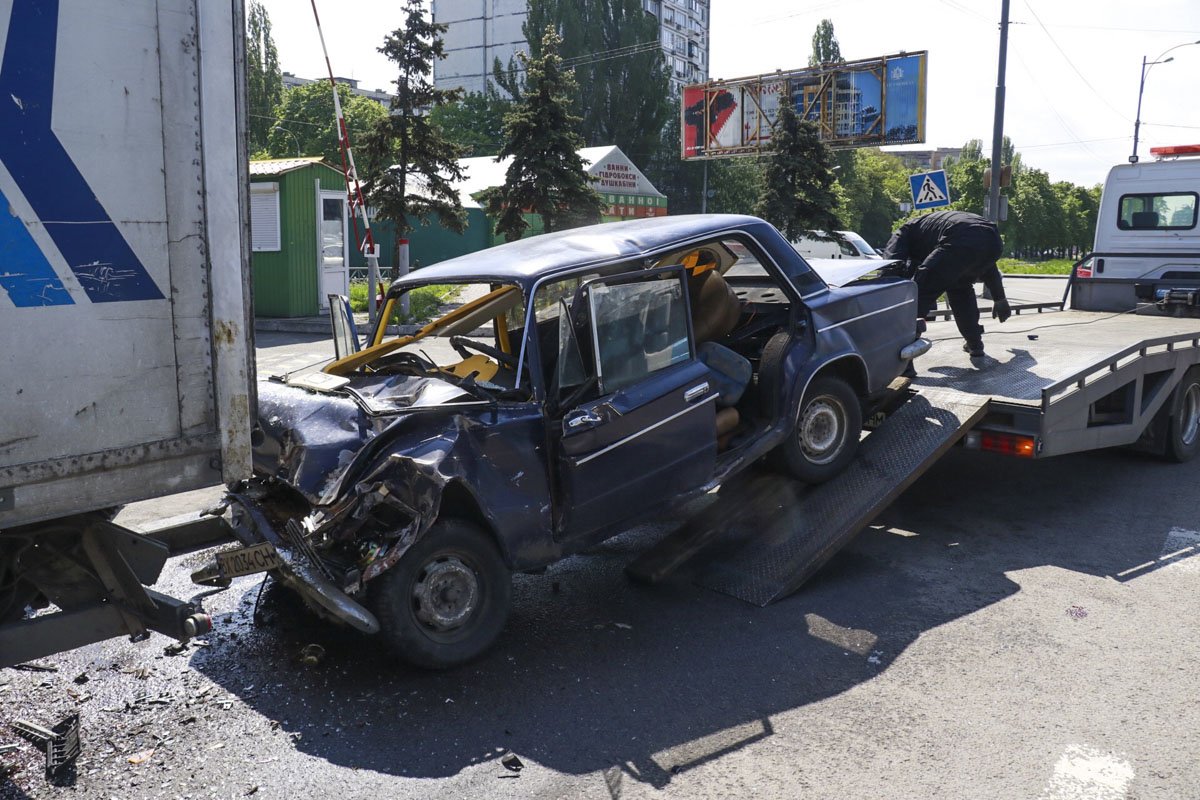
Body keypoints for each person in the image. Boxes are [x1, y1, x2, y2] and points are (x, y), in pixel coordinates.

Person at [882, 210, 1011, 358]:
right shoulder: (926, 229)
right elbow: (988, 265)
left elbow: (891, 265)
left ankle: (904, 362)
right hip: (993, 240)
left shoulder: (903, 233)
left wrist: (888, 295)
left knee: (918, 295)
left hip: (959, 239)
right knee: (960, 289)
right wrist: (1000, 298)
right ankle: (975, 344)